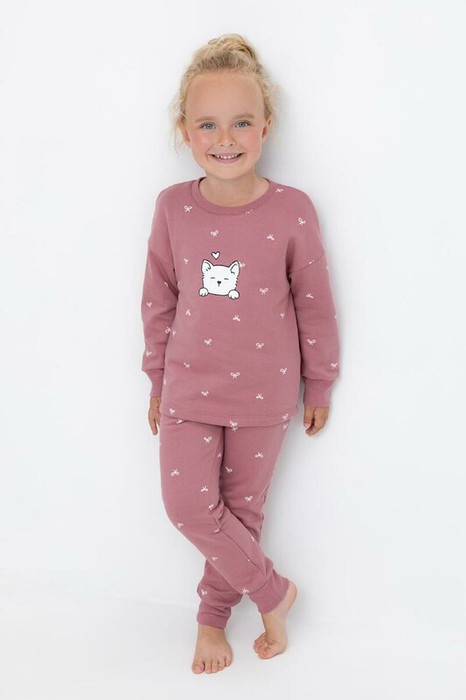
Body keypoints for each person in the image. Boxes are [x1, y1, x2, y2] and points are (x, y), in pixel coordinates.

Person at [140, 33, 340, 674]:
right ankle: (273, 592)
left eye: (241, 122)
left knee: (241, 512)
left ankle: (211, 621)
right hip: (188, 387)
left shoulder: (292, 210)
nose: (225, 138)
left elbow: (314, 303)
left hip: (265, 390)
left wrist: (320, 382)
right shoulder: (173, 208)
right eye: (208, 124)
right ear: (185, 131)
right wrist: (156, 379)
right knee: (188, 507)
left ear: (265, 127)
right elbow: (159, 299)